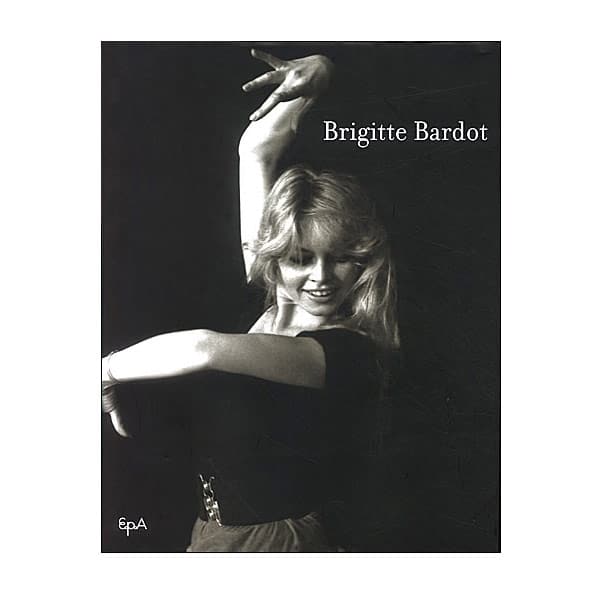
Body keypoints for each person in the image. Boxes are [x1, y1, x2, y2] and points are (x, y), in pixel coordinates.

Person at [102, 49, 400, 552]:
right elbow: (256, 152)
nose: (320, 278)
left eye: (341, 258)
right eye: (301, 258)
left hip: (274, 543)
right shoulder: (269, 292)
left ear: (365, 260)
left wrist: (105, 370)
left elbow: (203, 348)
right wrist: (318, 77)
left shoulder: (347, 351)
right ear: (277, 257)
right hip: (214, 532)